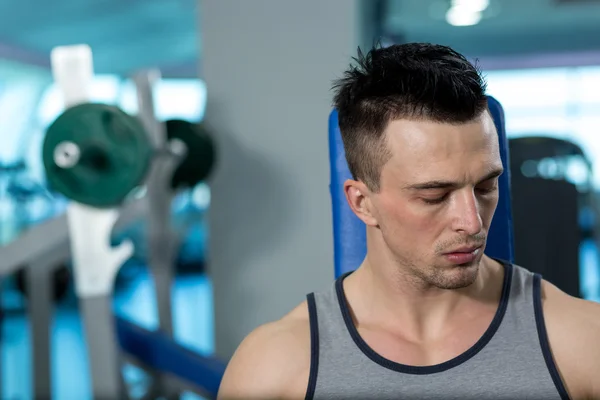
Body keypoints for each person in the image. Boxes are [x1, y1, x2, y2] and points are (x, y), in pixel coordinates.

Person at [217, 43, 600, 400]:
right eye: (433, 196)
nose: (472, 222)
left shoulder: (581, 343)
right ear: (362, 202)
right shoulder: (273, 370)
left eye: (486, 186)